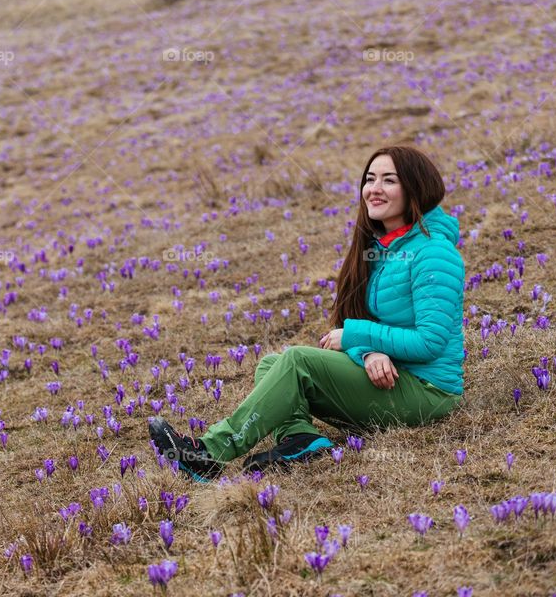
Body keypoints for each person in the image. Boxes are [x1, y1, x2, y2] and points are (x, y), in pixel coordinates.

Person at [149, 145, 466, 482]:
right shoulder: (381, 250)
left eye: (389, 180)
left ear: (416, 187)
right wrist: (369, 350)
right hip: (392, 375)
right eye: (370, 178)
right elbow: (367, 327)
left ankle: (210, 453)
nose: (374, 188)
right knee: (273, 362)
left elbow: (429, 342)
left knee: (298, 361)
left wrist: (358, 337)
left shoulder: (433, 254)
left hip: (428, 392)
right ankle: (301, 439)